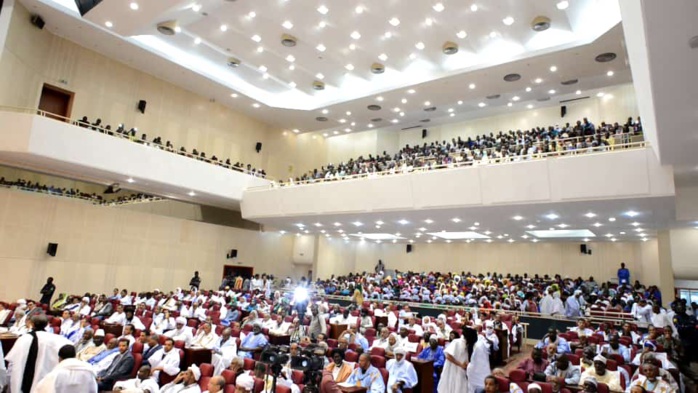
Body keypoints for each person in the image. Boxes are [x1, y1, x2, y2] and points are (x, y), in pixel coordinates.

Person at [5, 314, 74, 393]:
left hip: (24, 384)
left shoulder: (24, 339)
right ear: (47, 324)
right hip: (46, 383)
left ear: (31, 323)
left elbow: (12, 364)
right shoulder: (57, 339)